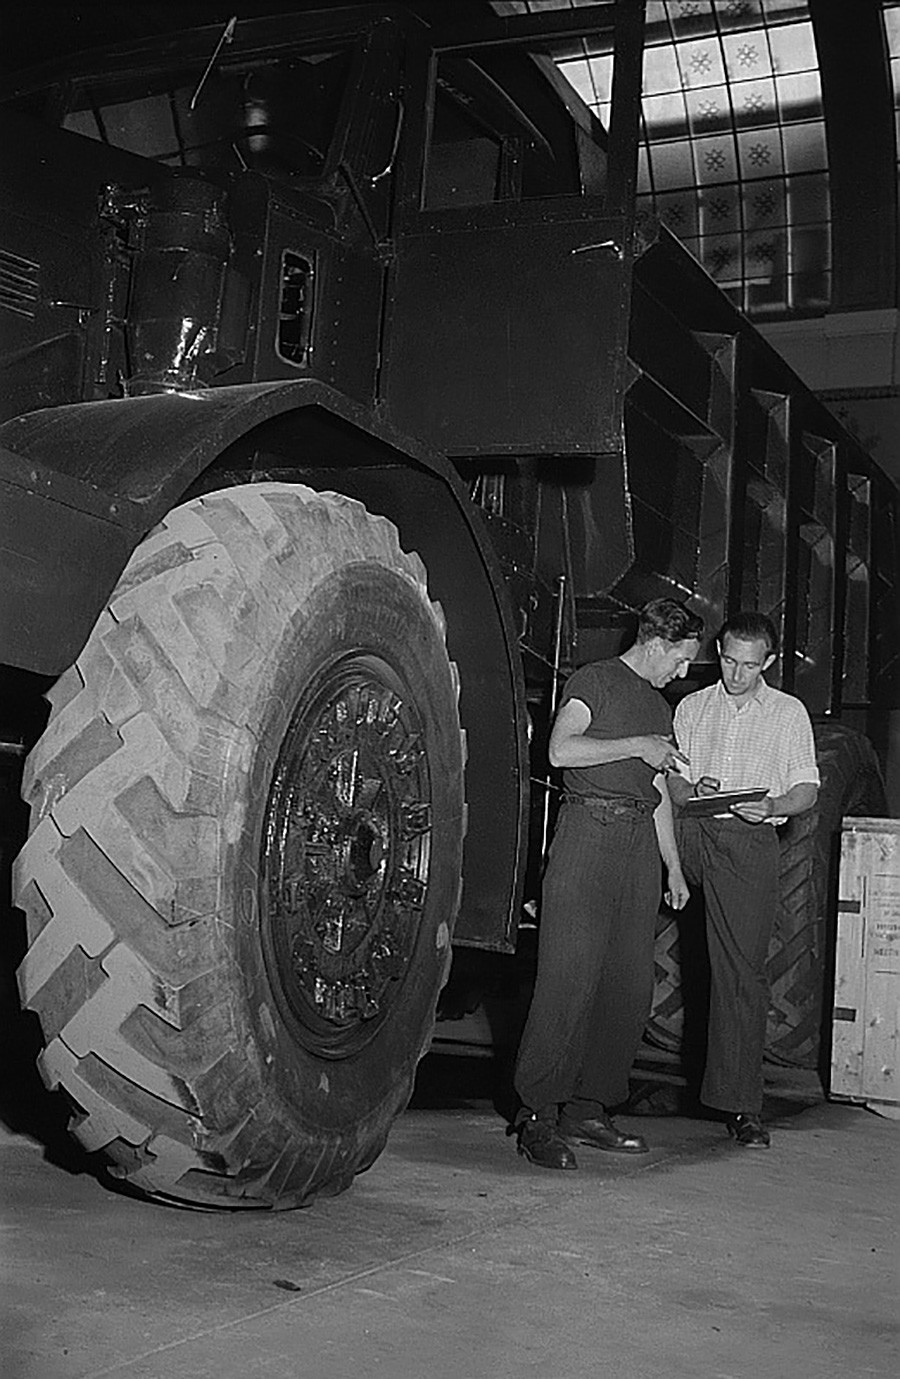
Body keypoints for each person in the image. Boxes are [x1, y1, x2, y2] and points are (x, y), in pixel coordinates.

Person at [514, 598, 704, 1170]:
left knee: (627, 990)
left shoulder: (658, 708)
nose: (682, 671)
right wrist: (637, 745)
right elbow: (559, 749)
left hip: (638, 850)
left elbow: (658, 800)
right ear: (656, 644)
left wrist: (672, 866)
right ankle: (537, 1116)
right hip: (587, 836)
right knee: (567, 979)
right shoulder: (594, 680)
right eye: (681, 659)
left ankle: (589, 1109)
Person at [669, 612, 819, 1148]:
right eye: (729, 661)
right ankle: (590, 1095)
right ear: (719, 651)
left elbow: (807, 789)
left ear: (769, 663)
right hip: (690, 833)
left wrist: (773, 805)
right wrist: (692, 788)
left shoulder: (787, 714)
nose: (735, 674)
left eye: (749, 666)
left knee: (740, 973)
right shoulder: (691, 706)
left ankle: (740, 1107)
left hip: (748, 844)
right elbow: (674, 783)